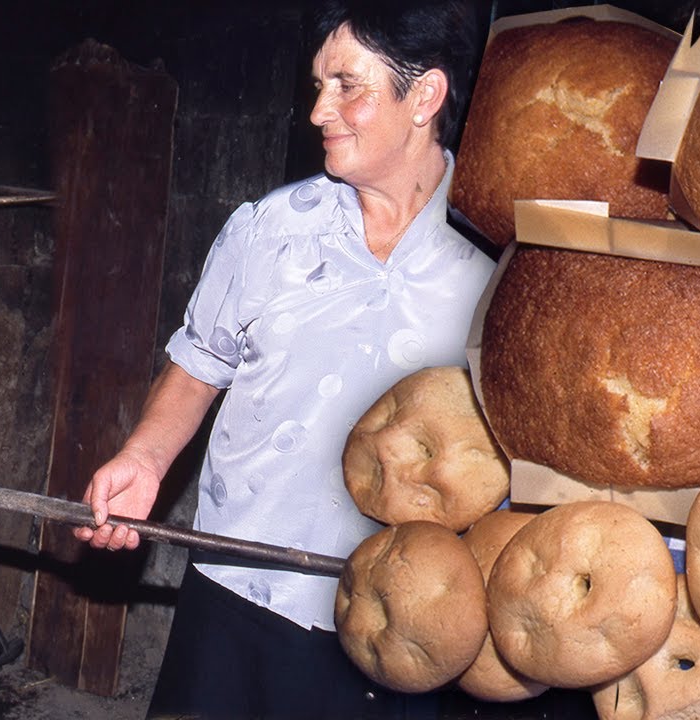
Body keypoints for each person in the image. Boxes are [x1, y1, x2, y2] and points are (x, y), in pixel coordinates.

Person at [75, 1, 496, 717]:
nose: (318, 111)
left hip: (390, 628)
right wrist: (144, 459)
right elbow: (201, 360)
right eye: (317, 84)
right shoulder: (271, 228)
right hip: (232, 598)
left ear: (424, 95)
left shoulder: (491, 269)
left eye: (347, 85)